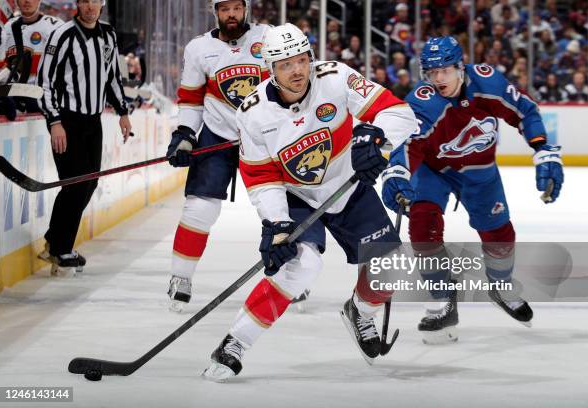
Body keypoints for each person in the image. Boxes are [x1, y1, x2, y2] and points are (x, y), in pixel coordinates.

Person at [201, 23, 418, 382]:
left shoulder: (336, 78)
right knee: (300, 266)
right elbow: (261, 176)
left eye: (302, 60)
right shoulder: (253, 112)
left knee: (391, 267)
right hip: (296, 195)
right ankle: (235, 342)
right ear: (271, 69)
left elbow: (400, 113)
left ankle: (360, 312)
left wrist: (378, 139)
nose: (297, 70)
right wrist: (276, 223)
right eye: (286, 64)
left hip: (349, 186)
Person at [381, 36, 564, 344]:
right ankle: (442, 300)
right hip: (433, 169)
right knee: (423, 224)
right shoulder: (423, 100)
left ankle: (500, 284)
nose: (438, 79)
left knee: (500, 234)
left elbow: (526, 111)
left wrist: (543, 149)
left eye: (445, 71)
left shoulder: (487, 83)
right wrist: (396, 171)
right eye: (431, 72)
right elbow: (409, 144)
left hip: (478, 170)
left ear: (460, 67)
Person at [165, 0, 271, 312]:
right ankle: (180, 277)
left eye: (237, 8)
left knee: (278, 208)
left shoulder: (268, 38)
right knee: (199, 208)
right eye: (225, 9)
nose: (231, 15)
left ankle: (289, 275)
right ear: (216, 12)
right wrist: (185, 134)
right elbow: (192, 98)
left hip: (264, 139)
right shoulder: (199, 48)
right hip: (216, 133)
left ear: (246, 9)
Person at [37, 0, 132, 273]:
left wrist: (123, 112)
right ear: (78, 4)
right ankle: (60, 248)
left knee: (88, 184)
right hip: (66, 122)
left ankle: (54, 243)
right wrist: (54, 122)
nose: (90, 7)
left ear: (101, 5)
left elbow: (112, 77)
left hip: (93, 122)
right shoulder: (63, 34)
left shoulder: (108, 35)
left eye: (95, 1)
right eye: (85, 1)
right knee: (75, 185)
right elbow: (45, 81)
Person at [0, 0, 63, 114]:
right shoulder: (8, 27)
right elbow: (1, 67)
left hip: (43, 98)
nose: (27, 1)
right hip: (13, 95)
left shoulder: (56, 27)